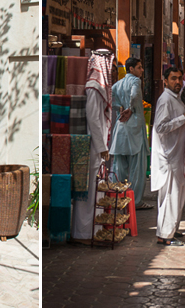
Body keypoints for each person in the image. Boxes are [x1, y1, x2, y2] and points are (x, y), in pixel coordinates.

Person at [71, 51, 115, 242]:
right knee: (87, 191)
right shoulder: (94, 87)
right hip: (90, 145)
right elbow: (93, 119)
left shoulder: (100, 87)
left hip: (95, 145)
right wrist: (101, 147)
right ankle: (83, 232)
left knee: (93, 190)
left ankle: (92, 230)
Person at [151, 67, 185, 246]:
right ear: (165, 80)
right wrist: (184, 118)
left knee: (177, 195)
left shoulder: (175, 99)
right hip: (168, 157)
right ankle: (165, 235)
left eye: (179, 79)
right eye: (173, 78)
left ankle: (171, 229)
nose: (177, 82)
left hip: (176, 156)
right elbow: (160, 127)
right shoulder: (165, 100)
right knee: (170, 196)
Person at [110, 57, 152, 210]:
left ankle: (116, 198)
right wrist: (130, 108)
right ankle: (135, 201)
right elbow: (134, 96)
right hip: (134, 127)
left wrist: (119, 107)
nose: (142, 70)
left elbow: (110, 97)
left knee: (119, 166)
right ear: (131, 69)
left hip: (121, 127)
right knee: (137, 168)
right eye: (139, 67)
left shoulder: (119, 83)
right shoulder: (135, 81)